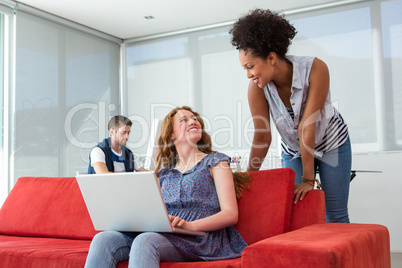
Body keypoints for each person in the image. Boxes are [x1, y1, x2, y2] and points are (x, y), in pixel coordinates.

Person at [84, 106, 249, 267]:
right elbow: (152, 211)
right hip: (163, 233)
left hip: (200, 237)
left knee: (145, 241)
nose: (193, 121)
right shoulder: (164, 174)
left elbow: (230, 214)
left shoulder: (216, 162)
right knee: (103, 239)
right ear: (171, 135)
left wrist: (190, 226)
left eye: (195, 118)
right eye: (184, 120)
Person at [230, 9, 351, 223]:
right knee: (298, 214)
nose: (248, 75)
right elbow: (262, 136)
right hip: (294, 148)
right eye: (244, 69)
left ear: (271, 58)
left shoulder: (314, 68)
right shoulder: (256, 87)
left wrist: (308, 180)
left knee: (335, 214)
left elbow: (307, 125)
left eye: (250, 67)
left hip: (332, 143)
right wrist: (248, 178)